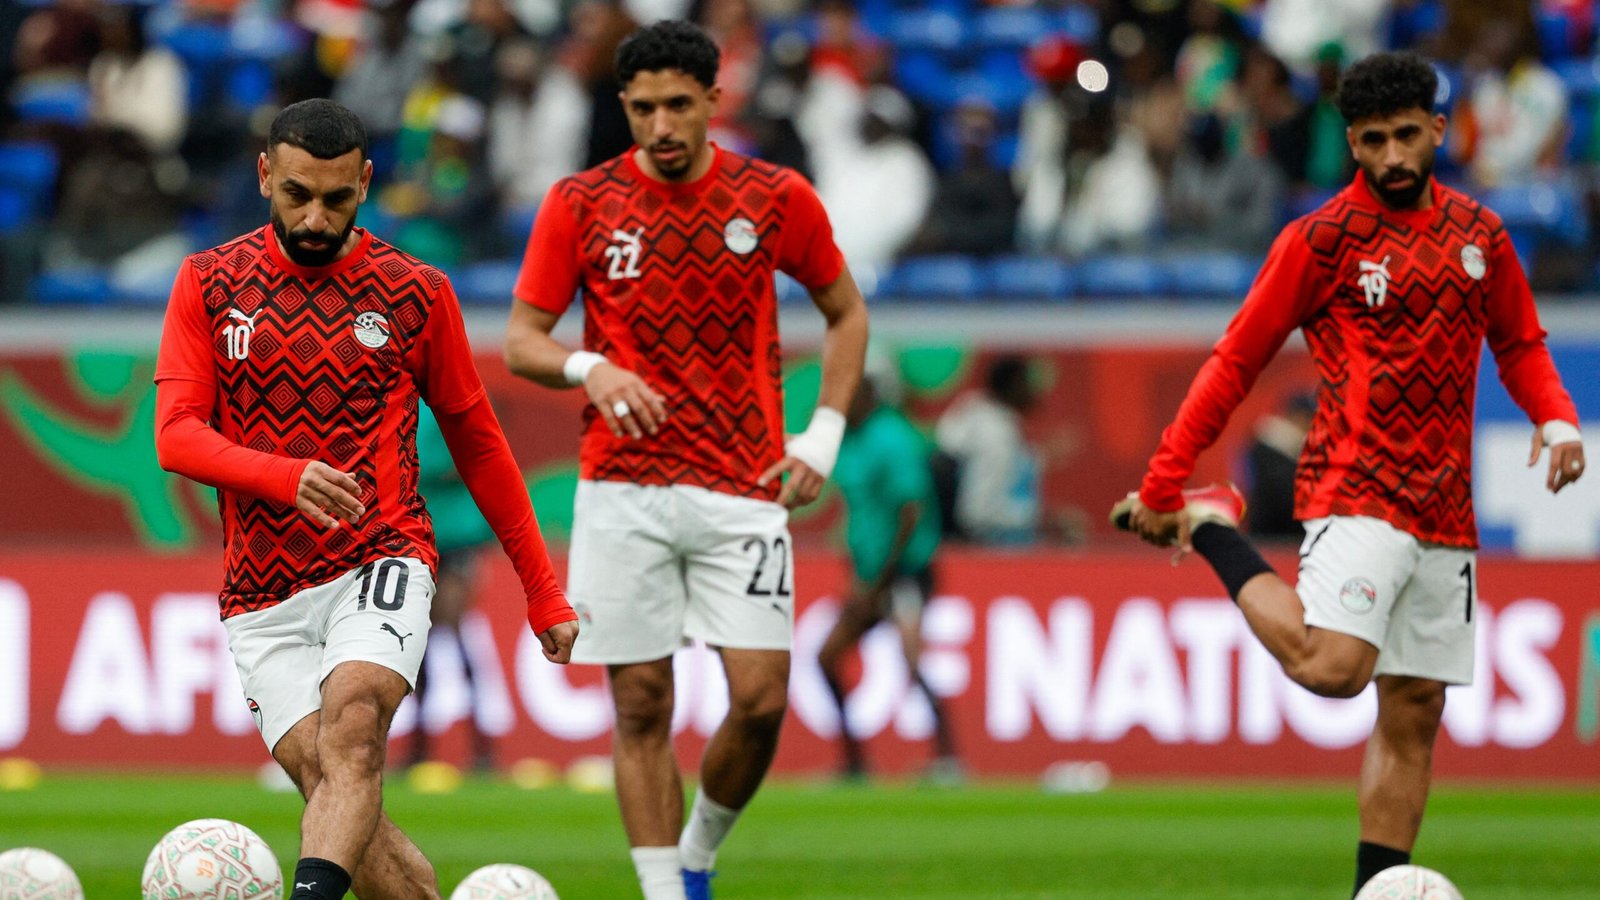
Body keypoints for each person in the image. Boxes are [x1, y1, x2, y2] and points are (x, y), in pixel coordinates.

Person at [1112, 53, 1585, 897]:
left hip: (1445, 507)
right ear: (1351, 143)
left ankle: (1377, 889)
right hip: (1356, 486)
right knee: (1333, 668)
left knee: (1415, 708)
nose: (1393, 157)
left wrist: (1555, 417)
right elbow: (1236, 359)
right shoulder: (1321, 240)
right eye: (1373, 141)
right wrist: (1163, 484)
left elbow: (1518, 342)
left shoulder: (1481, 235)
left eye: (1406, 136)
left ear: (1438, 129)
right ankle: (1212, 525)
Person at [153, 98, 578, 900]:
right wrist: (285, 476)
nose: (315, 219)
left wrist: (543, 590)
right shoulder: (208, 282)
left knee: (352, 731)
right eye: (297, 195)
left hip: (379, 555)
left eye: (337, 198)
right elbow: (175, 437)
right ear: (265, 176)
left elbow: (481, 446)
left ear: (367, 183)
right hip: (260, 592)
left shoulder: (415, 292)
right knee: (336, 794)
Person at [502, 19, 868, 900]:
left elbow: (845, 312)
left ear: (712, 98)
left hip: (742, 486)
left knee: (762, 699)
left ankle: (698, 849)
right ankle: (667, 889)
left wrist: (821, 436)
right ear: (623, 107)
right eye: (642, 109)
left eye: (677, 105)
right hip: (621, 489)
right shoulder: (581, 203)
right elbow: (521, 340)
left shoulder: (774, 196)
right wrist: (590, 369)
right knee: (640, 703)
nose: (661, 126)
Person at [817, 371, 957, 782]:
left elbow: (911, 512)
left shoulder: (892, 438)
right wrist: (861, 574)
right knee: (826, 658)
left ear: (868, 396)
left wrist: (881, 578)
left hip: (903, 573)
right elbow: (861, 513)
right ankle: (855, 762)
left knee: (912, 662)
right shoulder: (850, 440)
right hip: (869, 574)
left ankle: (948, 760)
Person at [405, 401, 500, 772]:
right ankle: (420, 748)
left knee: (454, 637)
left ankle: (481, 748)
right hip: (418, 537)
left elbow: (465, 458)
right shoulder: (409, 402)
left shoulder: (449, 404)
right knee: (420, 644)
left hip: (454, 537)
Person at [935, 355, 1041, 545]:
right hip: (989, 546)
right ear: (1015, 385)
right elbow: (978, 513)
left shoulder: (976, 415)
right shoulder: (995, 436)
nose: (1034, 392)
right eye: (1029, 384)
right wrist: (1037, 520)